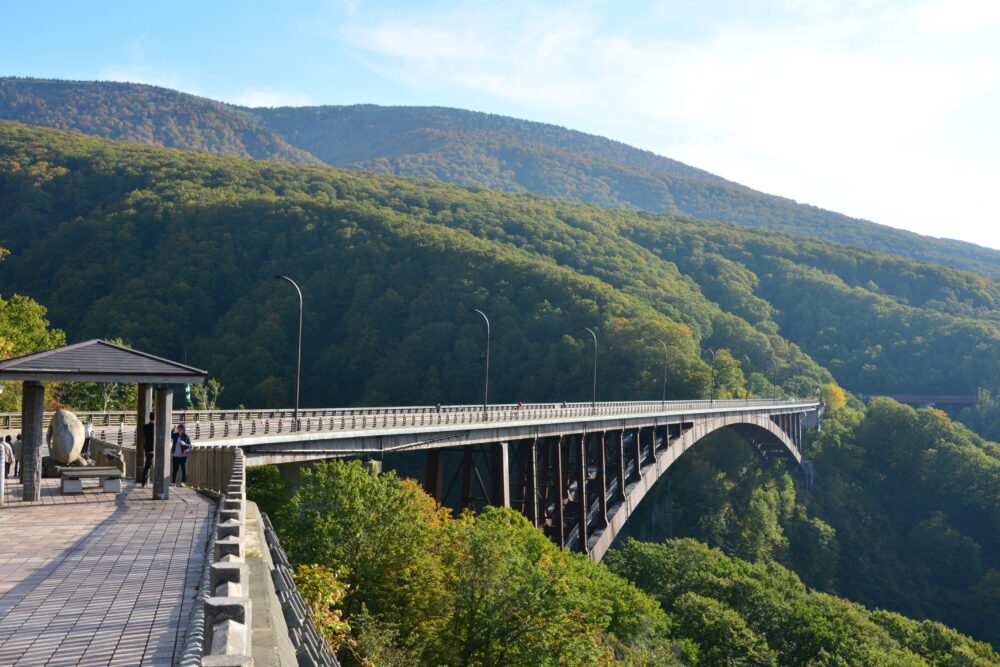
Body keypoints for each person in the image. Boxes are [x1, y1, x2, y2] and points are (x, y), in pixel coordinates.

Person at [140, 411, 155, 487]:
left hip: (147, 448)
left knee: (147, 465)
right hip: (155, 448)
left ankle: (144, 482)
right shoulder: (156, 427)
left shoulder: (145, 426)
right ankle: (157, 482)